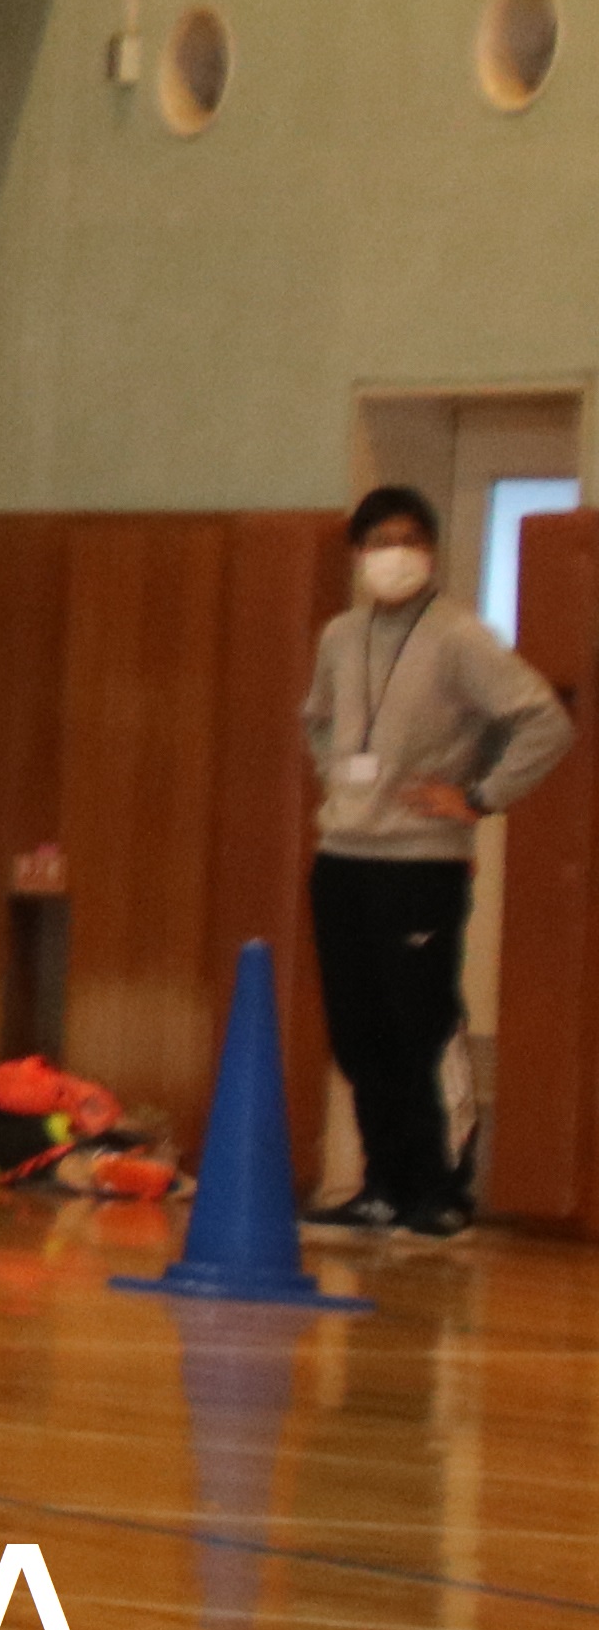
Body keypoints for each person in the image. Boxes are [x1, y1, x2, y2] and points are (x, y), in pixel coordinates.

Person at [299, 481, 569, 1241]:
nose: (396, 554)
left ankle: (443, 1191)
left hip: (420, 864)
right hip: (343, 859)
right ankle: (383, 1186)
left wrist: (478, 797)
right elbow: (317, 722)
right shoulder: (340, 636)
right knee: (359, 1032)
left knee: (420, 1026)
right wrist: (348, 788)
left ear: (431, 551)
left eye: (410, 540)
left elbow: (544, 721)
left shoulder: (459, 635)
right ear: (359, 553)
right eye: (380, 541)